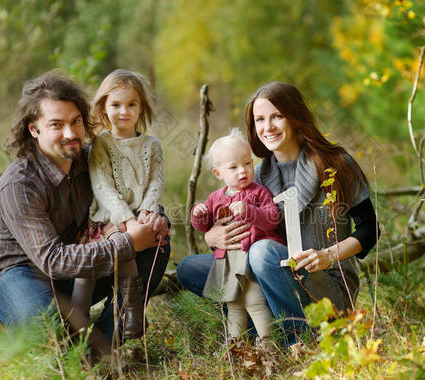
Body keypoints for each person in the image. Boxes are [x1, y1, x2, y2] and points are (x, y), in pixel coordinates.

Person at [0, 70, 168, 356]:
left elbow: (132, 196)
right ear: (34, 129)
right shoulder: (19, 184)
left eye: (76, 121)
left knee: (156, 240)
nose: (70, 133)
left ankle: (103, 347)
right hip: (18, 274)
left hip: (74, 273)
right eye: (56, 125)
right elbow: (52, 260)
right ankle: (43, 335)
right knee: (47, 333)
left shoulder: (91, 159)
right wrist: (126, 243)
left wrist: (154, 218)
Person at [177, 81, 380, 346]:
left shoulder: (336, 164)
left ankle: (301, 338)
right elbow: (224, 217)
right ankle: (264, 328)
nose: (268, 127)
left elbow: (370, 229)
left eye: (277, 116)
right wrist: (212, 237)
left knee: (262, 252)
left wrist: (327, 256)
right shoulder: (256, 174)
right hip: (269, 277)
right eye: (260, 119)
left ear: (295, 117)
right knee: (190, 268)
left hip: (326, 283)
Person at [72, 69, 169, 340]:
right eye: (115, 104)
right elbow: (102, 186)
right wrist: (127, 221)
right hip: (107, 219)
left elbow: (156, 182)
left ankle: (131, 313)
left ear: (141, 108)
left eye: (131, 104)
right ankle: (74, 330)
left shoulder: (152, 145)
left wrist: (148, 212)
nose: (123, 111)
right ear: (104, 106)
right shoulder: (101, 144)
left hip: (140, 215)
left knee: (132, 253)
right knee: (93, 269)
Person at [191, 129, 281, 343]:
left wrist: (250, 211)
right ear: (218, 173)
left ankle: (268, 341)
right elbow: (205, 227)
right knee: (233, 303)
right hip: (229, 262)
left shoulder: (258, 192)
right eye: (233, 167)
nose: (243, 171)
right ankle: (235, 343)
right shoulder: (215, 198)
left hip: (250, 258)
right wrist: (199, 214)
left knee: (254, 300)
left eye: (247, 163)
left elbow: (272, 218)